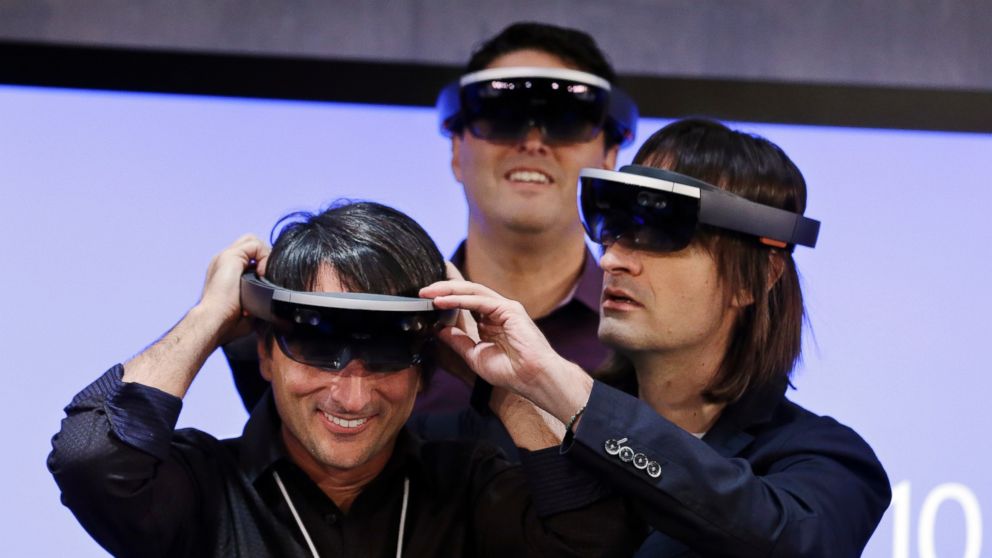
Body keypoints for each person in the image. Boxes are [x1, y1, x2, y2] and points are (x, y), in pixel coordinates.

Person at [48, 201, 643, 558]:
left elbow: (593, 540)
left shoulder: (465, 487)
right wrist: (208, 318)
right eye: (316, 349)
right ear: (266, 353)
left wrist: (500, 383)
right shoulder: (206, 489)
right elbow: (87, 461)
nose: (351, 395)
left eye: (385, 357)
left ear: (425, 367)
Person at [421, 119, 892, 557]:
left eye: (660, 233)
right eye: (613, 228)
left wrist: (567, 391)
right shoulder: (521, 432)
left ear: (756, 279)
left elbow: (786, 537)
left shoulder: (831, 461)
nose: (611, 261)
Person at [224, 22, 638, 417]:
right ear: (457, 151)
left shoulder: (646, 330)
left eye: (567, 120)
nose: (532, 141)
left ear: (610, 158)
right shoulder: (399, 318)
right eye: (501, 115)